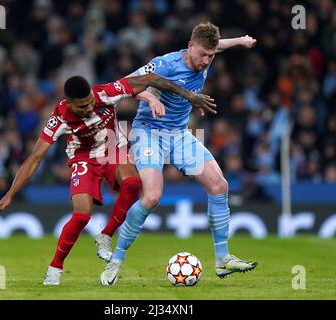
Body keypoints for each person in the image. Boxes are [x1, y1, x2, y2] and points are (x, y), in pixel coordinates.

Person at [0, 73, 216, 286]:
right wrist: (9, 195)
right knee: (82, 215)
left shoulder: (105, 93)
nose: (89, 107)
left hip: (113, 147)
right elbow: (35, 158)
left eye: (90, 102)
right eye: (82, 106)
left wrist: (190, 96)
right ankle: (55, 268)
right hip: (83, 157)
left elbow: (151, 78)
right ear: (70, 102)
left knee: (133, 183)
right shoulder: (59, 117)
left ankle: (106, 235)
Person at [100, 22, 258, 285]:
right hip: (148, 132)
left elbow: (219, 46)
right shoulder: (165, 64)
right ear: (190, 47)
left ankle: (222, 259)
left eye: (211, 55)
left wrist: (241, 40)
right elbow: (124, 84)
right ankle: (115, 260)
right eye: (203, 55)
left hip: (180, 134)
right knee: (151, 197)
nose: (207, 60)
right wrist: (150, 98)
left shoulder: (206, 54)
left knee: (219, 185)